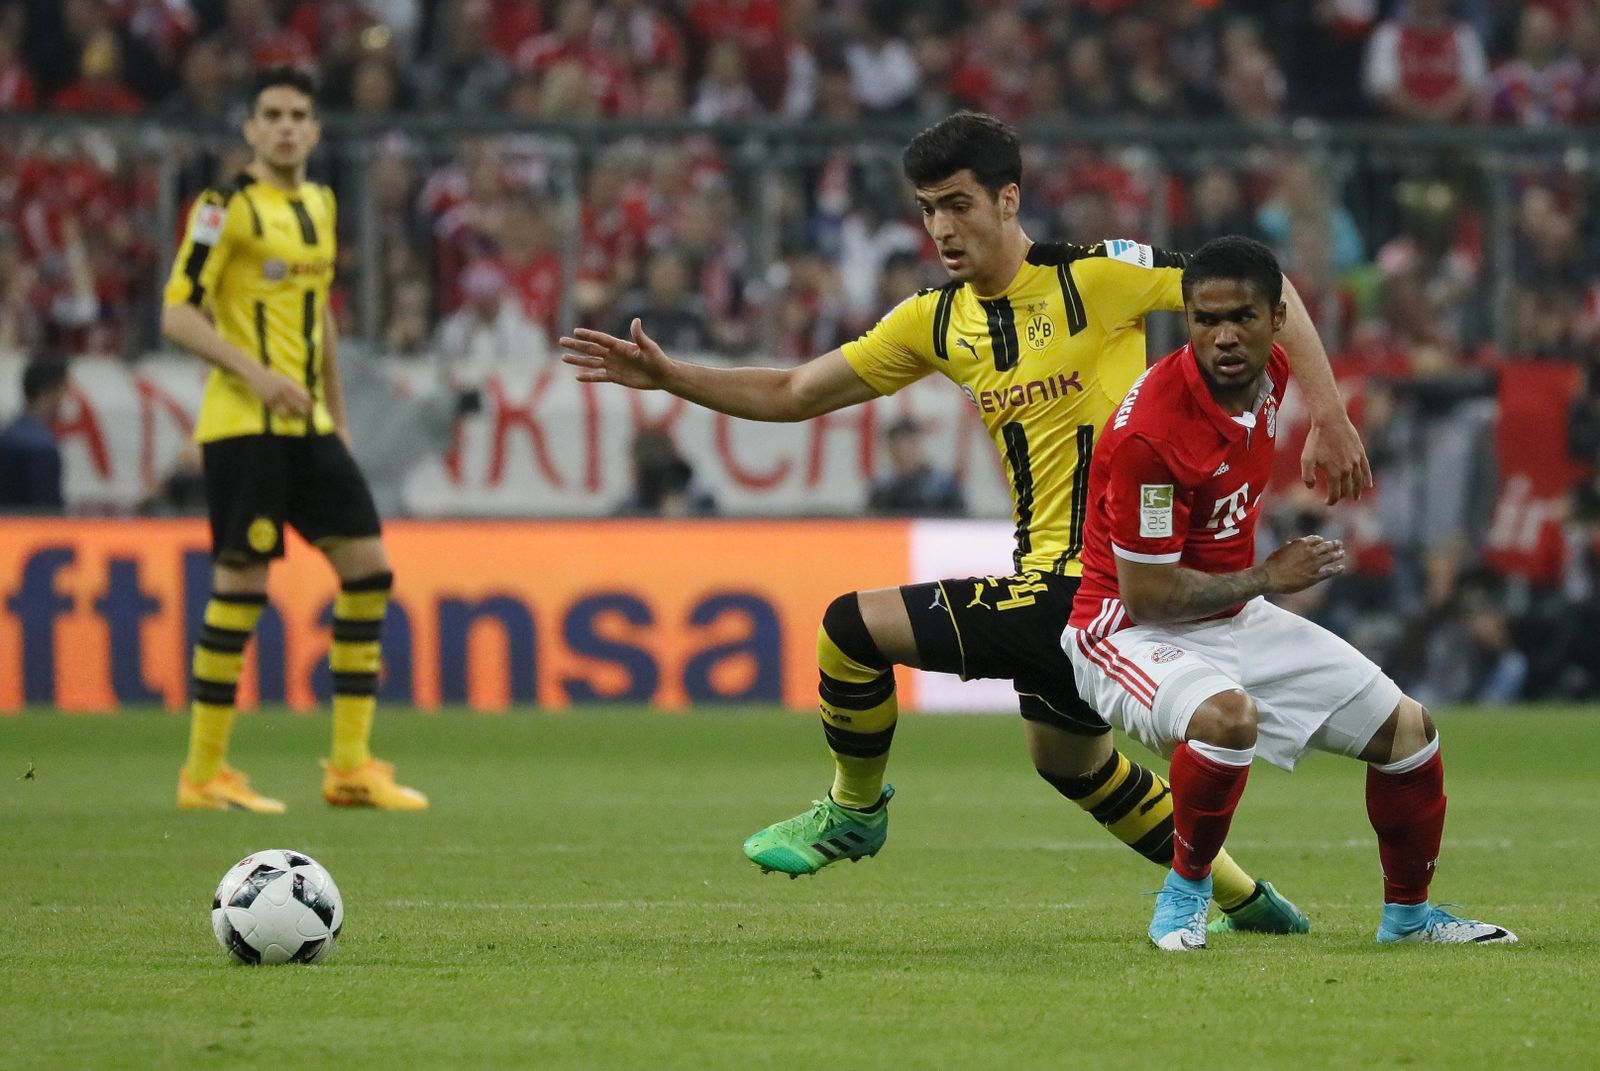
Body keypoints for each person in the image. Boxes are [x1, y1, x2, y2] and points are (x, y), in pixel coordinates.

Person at [562, 112, 1371, 932]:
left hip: (1087, 582)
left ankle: (854, 808)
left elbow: (1268, 289)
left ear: (1008, 199)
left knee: (849, 628)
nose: (942, 228)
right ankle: (1246, 899)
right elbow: (795, 391)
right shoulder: (935, 320)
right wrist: (673, 377)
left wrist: (1329, 414)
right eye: (927, 209)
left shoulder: (1097, 277)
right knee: (1069, 760)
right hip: (1052, 586)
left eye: (958, 204)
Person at [1061, 235, 1515, 950]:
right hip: (1125, 629)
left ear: (1274, 319)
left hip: (1230, 612)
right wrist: (1270, 578)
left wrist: (1330, 414)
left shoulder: (1271, 366)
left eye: (1241, 317)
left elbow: (1297, 318)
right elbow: (1147, 595)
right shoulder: (1155, 434)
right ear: (1187, 321)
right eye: (1206, 320)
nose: (1223, 336)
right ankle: (1185, 895)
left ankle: (1409, 919)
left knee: (1410, 734)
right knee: (1227, 719)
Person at [161, 66, 426, 813]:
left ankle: (350, 766)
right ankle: (203, 773)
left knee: (369, 571)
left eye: (296, 116)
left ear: (313, 131)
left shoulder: (320, 203)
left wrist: (336, 412)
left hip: (309, 427)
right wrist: (257, 375)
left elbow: (320, 316)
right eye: (271, 115)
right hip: (245, 425)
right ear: (251, 129)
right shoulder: (224, 208)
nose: (284, 127)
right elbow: (177, 314)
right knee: (242, 587)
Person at [0, 356, 67, 512]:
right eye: (61, 391)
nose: (64, 400)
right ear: (46, 392)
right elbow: (47, 513)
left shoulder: (6, 435)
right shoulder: (41, 448)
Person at [866, 417, 965, 516]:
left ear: (917, 445)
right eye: (896, 449)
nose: (902, 454)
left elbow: (960, 521)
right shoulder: (882, 489)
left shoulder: (943, 487)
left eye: (908, 446)